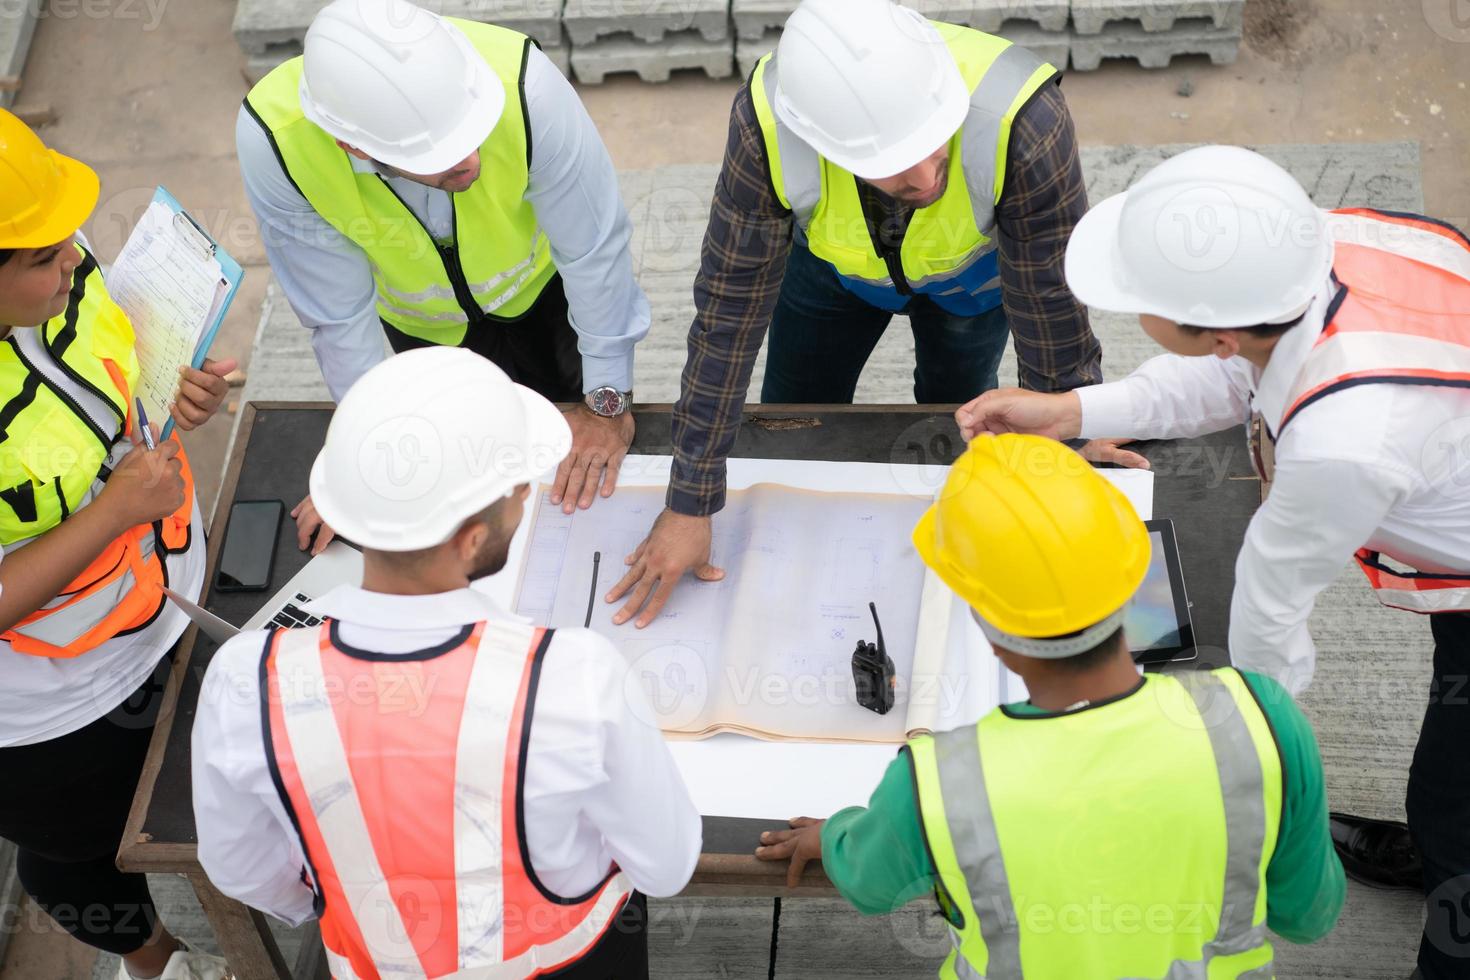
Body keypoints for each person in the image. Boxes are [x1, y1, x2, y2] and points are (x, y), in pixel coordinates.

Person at [954, 145, 1470, 976]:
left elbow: (1271, 616)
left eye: (1140, 303)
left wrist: (1257, 763)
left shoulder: (1344, 442)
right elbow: (1236, 375)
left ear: (1221, 329)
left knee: (1458, 804)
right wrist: (1072, 409)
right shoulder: (1306, 254)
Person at [191, 347, 701, 979]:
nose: (524, 501)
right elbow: (666, 863)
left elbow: (243, 869)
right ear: (472, 538)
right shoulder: (575, 675)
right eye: (519, 492)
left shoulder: (246, 678)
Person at [755, 434, 1345, 977]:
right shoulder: (1260, 719)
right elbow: (1307, 915)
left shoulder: (938, 784)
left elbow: (868, 881)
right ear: (1134, 572)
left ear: (988, 627)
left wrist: (834, 837)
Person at [606, 0, 1103, 628]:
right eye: (888, 163)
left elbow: (1051, 294)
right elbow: (728, 310)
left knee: (959, 417)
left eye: (933, 144)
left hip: (971, 284)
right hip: (831, 274)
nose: (925, 177)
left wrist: (1077, 415)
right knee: (792, 413)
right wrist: (690, 498)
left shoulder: (1022, 117)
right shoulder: (769, 123)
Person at [237, 0, 649, 547]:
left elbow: (595, 250)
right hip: (424, 330)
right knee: (455, 463)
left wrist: (606, 403)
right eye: (442, 157)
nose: (473, 160)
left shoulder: (524, 86)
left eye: (471, 133)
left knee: (576, 458)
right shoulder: (278, 143)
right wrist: (365, 462)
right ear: (352, 145)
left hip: (546, 296)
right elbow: (338, 318)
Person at [0, 110, 235, 979]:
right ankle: (152, 959)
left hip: (171, 594)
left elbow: (110, 361)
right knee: (79, 856)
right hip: (54, 709)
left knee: (207, 784)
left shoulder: (49, 260)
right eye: (41, 258)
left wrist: (180, 387)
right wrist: (110, 515)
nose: (74, 259)